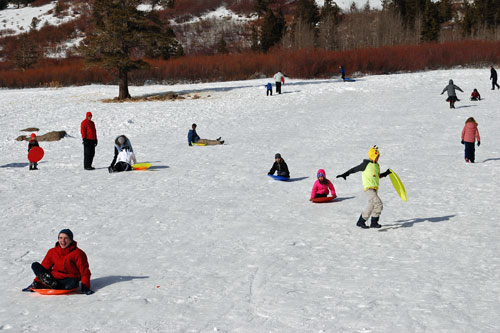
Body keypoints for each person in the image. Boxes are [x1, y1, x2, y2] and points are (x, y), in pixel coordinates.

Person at [22, 229, 93, 295]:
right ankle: (48, 283)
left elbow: (84, 271)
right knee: (35, 265)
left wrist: (85, 287)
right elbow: (44, 267)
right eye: (60, 238)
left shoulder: (78, 253)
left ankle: (50, 285)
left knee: (74, 282)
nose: (63, 240)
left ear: (71, 240)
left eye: (66, 238)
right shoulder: (52, 252)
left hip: (68, 279)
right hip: (53, 278)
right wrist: (36, 282)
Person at [336, 146, 391, 229]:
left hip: (375, 189)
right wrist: (345, 174)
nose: (378, 158)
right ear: (372, 155)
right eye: (377, 156)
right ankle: (374, 222)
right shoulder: (366, 164)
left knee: (371, 205)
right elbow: (355, 169)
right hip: (369, 189)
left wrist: (385, 173)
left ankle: (361, 221)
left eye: (378, 157)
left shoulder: (377, 165)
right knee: (379, 204)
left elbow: (377, 176)